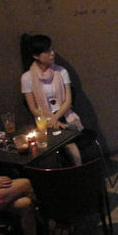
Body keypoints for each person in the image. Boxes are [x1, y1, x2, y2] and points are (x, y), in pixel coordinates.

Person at [20, 34, 82, 165]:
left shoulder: (61, 71)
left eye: (52, 49)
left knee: (69, 141)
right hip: (44, 119)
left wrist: (56, 118)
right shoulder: (27, 78)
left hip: (65, 114)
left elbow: (68, 101)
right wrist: (51, 120)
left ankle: (79, 170)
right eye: (47, 51)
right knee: (53, 144)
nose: (52, 53)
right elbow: (33, 108)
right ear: (36, 56)